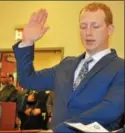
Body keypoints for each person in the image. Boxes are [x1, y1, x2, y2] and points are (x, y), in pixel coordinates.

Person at [12, 2, 124, 132]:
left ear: (110, 29)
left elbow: (110, 109)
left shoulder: (120, 68)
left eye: (95, 26)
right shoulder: (66, 65)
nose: (88, 32)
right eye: (83, 26)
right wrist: (27, 42)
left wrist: (60, 130)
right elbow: (28, 79)